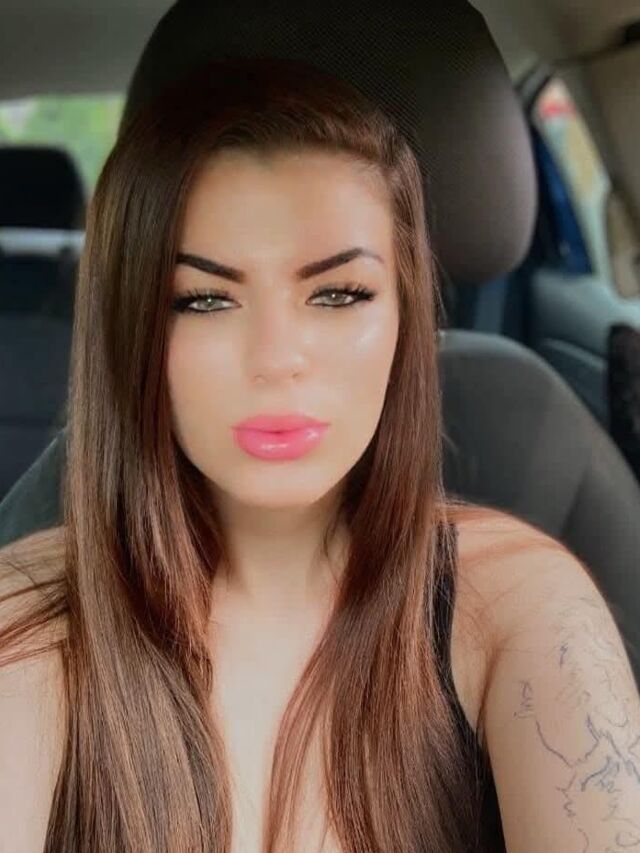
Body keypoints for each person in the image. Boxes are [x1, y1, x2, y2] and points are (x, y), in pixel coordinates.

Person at [1, 56, 638, 853]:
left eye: (338, 294)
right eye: (203, 299)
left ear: (405, 316)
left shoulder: (520, 605)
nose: (276, 359)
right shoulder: (28, 624)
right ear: (130, 329)